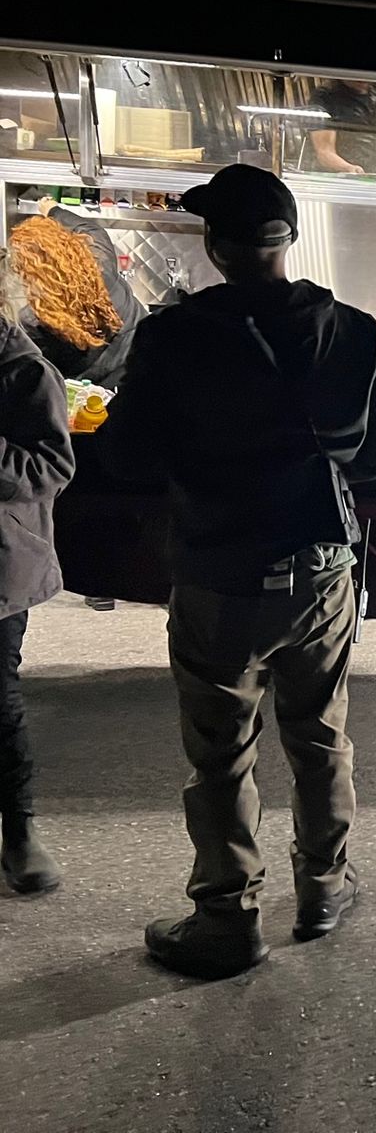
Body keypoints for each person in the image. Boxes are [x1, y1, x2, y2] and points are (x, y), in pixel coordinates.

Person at [99, 164, 376, 978]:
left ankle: (228, 920)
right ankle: (324, 891)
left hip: (218, 573)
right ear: (288, 239)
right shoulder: (352, 329)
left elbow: (125, 453)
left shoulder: (173, 336)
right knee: (319, 734)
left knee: (222, 752)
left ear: (217, 246)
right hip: (321, 569)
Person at [0, 294, 76, 894]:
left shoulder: (25, 370)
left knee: (0, 703)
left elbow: (49, 467)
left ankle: (20, 833)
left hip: (2, 568)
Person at [9, 207, 144, 389]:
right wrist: (53, 209)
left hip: (95, 388)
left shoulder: (33, 319)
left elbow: (36, 365)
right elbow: (92, 230)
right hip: (142, 352)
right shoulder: (100, 261)